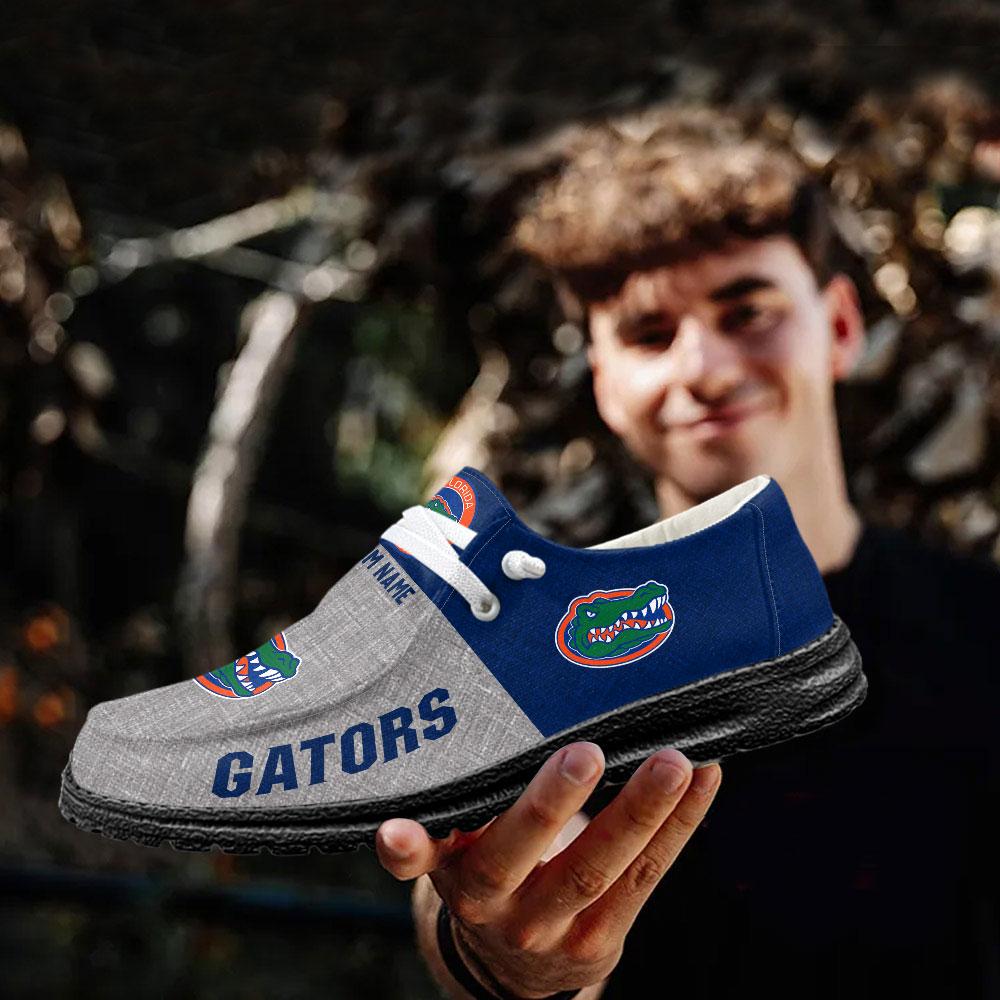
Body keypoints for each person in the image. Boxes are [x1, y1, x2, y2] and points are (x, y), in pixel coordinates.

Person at [374, 107, 1000, 999]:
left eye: (747, 311)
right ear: (604, 382)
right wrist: (505, 953)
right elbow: (481, 894)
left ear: (839, 326)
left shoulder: (984, 628)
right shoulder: (539, 656)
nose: (703, 367)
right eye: (648, 333)